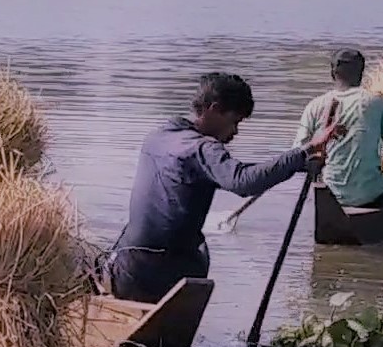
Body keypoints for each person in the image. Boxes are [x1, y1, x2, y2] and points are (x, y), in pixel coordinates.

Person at [103, 72, 344, 304]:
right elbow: (244, 181)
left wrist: (300, 163)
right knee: (199, 252)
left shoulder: (159, 136)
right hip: (160, 274)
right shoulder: (203, 149)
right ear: (214, 109)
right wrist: (305, 150)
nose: (235, 132)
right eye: (234, 121)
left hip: (124, 265)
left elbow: (239, 172)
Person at [293, 48, 383, 208]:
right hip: (372, 193)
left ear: (333, 74)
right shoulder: (376, 102)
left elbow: (297, 153)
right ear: (361, 74)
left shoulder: (314, 105)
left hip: (329, 193)